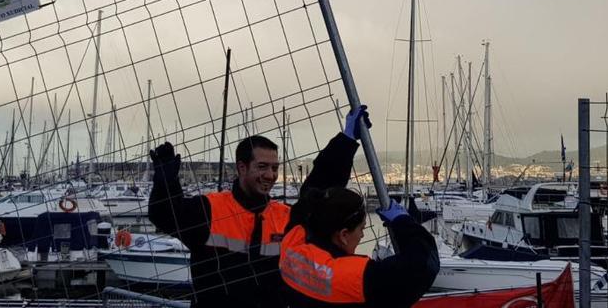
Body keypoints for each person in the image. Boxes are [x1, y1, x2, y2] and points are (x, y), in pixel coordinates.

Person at [148, 106, 371, 308]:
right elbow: (166, 215)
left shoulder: (285, 217)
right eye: (262, 167)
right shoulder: (210, 209)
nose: (270, 175)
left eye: (275, 168)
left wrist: (346, 141)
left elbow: (317, 194)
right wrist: (166, 183)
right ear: (242, 168)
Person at [279, 186, 439, 308]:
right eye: (361, 229)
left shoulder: (292, 249)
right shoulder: (356, 278)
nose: (362, 235)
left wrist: (344, 144)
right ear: (343, 235)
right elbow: (424, 265)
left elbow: (302, 209)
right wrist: (403, 221)